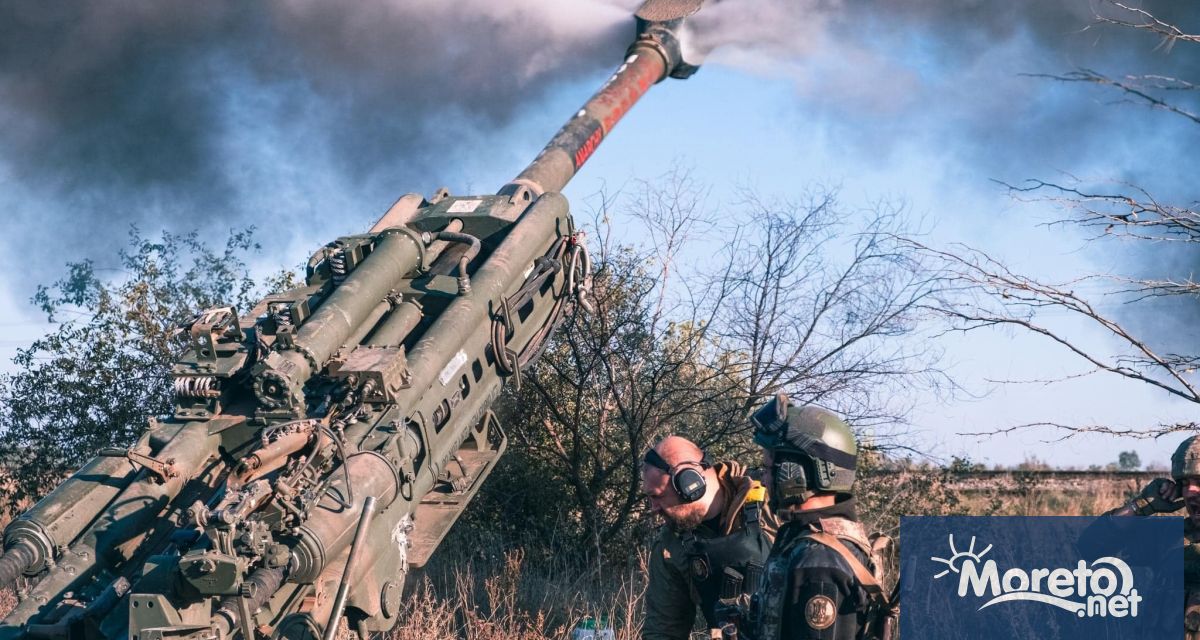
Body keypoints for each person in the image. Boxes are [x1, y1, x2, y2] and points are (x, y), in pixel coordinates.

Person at [748, 395, 894, 640]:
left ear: (794, 473)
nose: (763, 480)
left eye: (768, 469)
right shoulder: (805, 539)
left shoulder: (820, 561)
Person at [642, 435, 776, 640]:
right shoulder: (671, 544)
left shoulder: (774, 505)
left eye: (658, 496)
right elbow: (663, 630)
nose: (654, 508)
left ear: (688, 482)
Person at [1103, 435, 1200, 638]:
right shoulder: (1169, 537)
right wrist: (1138, 506)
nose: (1190, 491)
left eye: (1199, 481)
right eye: (1183, 483)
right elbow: (1091, 548)